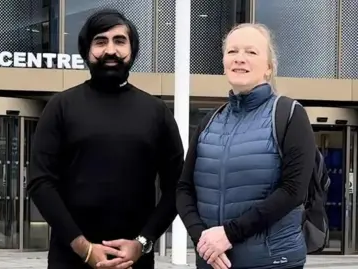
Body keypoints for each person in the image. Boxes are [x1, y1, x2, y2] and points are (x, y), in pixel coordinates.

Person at [27, 9, 184, 269]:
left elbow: (177, 186)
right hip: (70, 258)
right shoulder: (60, 106)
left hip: (134, 261)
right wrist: (82, 247)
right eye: (100, 41)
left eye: (120, 41)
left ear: (132, 50)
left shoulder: (156, 112)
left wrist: (142, 243)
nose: (110, 50)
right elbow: (40, 182)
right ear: (87, 50)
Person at [176, 23, 315, 269]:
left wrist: (229, 234)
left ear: (269, 68)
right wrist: (204, 241)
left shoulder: (290, 114)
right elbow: (184, 190)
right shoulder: (210, 122)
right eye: (232, 52)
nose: (240, 59)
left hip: (272, 263)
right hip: (213, 262)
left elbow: (293, 191)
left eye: (251, 52)